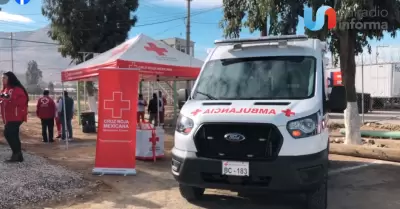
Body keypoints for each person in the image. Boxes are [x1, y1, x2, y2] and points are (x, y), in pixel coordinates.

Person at [0, 71, 28, 163]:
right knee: (13, 135)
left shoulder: (17, 89)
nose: (2, 79)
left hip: (16, 116)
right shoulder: (4, 89)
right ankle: (18, 155)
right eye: (2, 78)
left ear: (10, 79)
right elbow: (2, 98)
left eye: (4, 78)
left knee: (8, 133)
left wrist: (9, 99)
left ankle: (16, 154)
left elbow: (22, 101)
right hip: (8, 117)